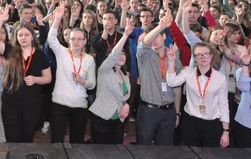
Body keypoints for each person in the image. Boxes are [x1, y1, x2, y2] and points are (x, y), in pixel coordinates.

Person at [166, 41, 230, 147]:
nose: (203, 57)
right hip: (191, 121)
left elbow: (224, 105)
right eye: (198, 55)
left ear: (211, 56)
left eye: (206, 54)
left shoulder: (220, 78)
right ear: (194, 57)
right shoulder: (188, 72)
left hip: (212, 123)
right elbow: (172, 82)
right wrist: (171, 62)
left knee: (210, 156)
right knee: (190, 155)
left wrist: (226, 131)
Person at [48, 2, 95, 143]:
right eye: (73, 38)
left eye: (80, 39)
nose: (76, 41)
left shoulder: (89, 60)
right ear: (68, 40)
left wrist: (82, 81)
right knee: (56, 141)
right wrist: (57, 20)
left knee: (77, 142)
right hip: (59, 104)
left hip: (80, 106)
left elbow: (92, 85)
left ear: (85, 41)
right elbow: (51, 39)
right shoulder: (61, 52)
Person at [0, 15, 52, 143]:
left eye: (27, 35)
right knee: (12, 139)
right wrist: (0, 20)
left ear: (32, 36)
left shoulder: (40, 55)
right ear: (16, 37)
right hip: (10, 103)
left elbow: (48, 78)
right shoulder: (10, 50)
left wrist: (35, 79)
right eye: (20, 35)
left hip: (31, 104)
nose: (23, 38)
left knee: (27, 138)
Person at [136, 10, 182, 145]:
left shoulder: (173, 56)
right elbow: (144, 43)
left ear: (164, 36)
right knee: (143, 146)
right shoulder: (144, 55)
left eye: (157, 36)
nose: (154, 41)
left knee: (165, 149)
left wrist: (177, 113)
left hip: (169, 111)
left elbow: (177, 88)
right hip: (148, 110)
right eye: (152, 37)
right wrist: (161, 26)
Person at [89, 17, 133, 144]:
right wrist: (125, 36)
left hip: (118, 120)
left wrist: (126, 104)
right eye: (119, 54)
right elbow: (114, 54)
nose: (121, 56)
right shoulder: (104, 70)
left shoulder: (125, 77)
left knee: (116, 155)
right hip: (102, 119)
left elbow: (122, 97)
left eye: (124, 54)